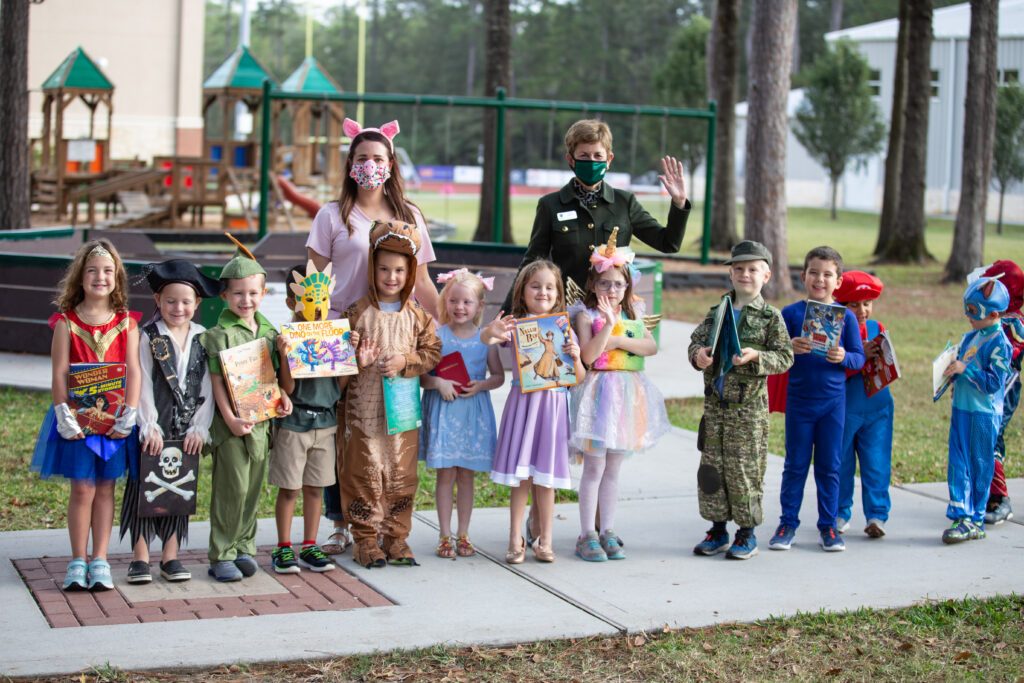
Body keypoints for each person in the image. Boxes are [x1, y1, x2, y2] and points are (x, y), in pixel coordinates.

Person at [305, 117, 440, 554]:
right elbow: (314, 278)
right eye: (362, 158)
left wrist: (450, 336)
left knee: (389, 433)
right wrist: (313, 333)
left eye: (378, 158)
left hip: (397, 335)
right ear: (350, 164)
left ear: (391, 163)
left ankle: (386, 525)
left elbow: (422, 284)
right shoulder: (333, 215)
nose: (370, 165)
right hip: (342, 335)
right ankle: (341, 522)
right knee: (342, 428)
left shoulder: (409, 215)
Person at [31, 239, 141, 591]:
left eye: (108, 271)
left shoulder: (127, 324)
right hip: (77, 421)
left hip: (114, 422)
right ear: (80, 277)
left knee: (106, 488)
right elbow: (60, 371)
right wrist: (64, 414)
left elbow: (134, 370)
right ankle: (78, 559)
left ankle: (101, 559)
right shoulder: (66, 322)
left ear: (117, 278)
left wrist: (130, 413)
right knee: (82, 488)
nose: (100, 277)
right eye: (92, 270)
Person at [502, 118, 691, 312]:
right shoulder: (551, 205)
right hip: (566, 310)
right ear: (570, 159)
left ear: (608, 160)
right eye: (584, 155)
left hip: (613, 313)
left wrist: (679, 203)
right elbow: (532, 262)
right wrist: (506, 314)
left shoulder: (624, 203)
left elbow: (669, 244)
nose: (591, 162)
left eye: (597, 155)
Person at [339, 220, 442, 568]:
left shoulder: (418, 317)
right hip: (362, 413)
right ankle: (366, 539)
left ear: (411, 271)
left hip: (401, 414)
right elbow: (335, 363)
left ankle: (396, 537)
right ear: (371, 267)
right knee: (363, 472)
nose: (391, 276)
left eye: (399, 269)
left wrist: (405, 360)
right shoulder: (355, 313)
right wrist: (353, 356)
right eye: (383, 268)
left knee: (401, 474)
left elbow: (432, 353)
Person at [688, 240, 793, 560]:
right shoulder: (717, 311)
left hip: (747, 412)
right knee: (711, 472)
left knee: (745, 472)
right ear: (731, 274)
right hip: (716, 409)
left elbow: (785, 357)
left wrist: (757, 357)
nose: (744, 274)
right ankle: (717, 529)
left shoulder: (770, 317)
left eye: (752, 269)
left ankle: (746, 533)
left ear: (766, 275)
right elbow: (695, 343)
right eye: (738, 269)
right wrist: (699, 356)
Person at [569, 232, 670, 561]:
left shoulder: (635, 312)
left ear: (627, 287)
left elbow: (650, 347)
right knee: (594, 467)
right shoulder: (586, 315)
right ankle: (587, 533)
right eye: (604, 284)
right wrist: (608, 328)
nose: (611, 291)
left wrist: (616, 340)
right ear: (593, 284)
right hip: (598, 394)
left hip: (626, 395)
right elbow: (586, 356)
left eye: (617, 285)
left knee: (614, 468)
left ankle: (608, 529)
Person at [121, 260, 222, 584]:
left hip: (187, 429)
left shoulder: (203, 337)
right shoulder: (147, 335)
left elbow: (207, 385)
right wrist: (147, 423)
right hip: (155, 427)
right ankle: (140, 556)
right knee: (142, 489)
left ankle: (171, 555)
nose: (178, 308)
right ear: (157, 301)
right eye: (170, 301)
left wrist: (199, 427)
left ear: (197, 304)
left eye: (185, 302)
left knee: (180, 489)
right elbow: (142, 383)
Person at [200, 237, 293, 582]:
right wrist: (228, 418)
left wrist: (285, 396)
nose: (246, 300)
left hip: (261, 424)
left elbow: (275, 379)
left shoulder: (269, 332)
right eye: (238, 293)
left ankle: (243, 547)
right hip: (232, 427)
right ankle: (221, 552)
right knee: (231, 488)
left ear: (264, 294)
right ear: (224, 296)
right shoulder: (220, 333)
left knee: (254, 486)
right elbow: (217, 383)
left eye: (253, 293)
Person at [770, 246, 864, 553]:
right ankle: (787, 525)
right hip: (799, 402)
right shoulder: (791, 314)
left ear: (838, 281)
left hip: (833, 405)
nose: (820, 279)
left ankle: (828, 527)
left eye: (827, 274)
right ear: (803, 276)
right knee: (795, 464)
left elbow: (859, 358)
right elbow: (776, 356)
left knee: (829, 466)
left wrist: (843, 356)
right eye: (814, 272)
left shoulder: (847, 317)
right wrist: (790, 347)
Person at [489, 260, 584, 564]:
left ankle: (546, 540)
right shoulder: (515, 325)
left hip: (553, 409)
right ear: (523, 290)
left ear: (558, 294)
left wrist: (576, 356)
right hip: (524, 406)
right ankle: (515, 538)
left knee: (546, 478)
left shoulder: (564, 329)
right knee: (522, 478)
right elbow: (488, 340)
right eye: (535, 286)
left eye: (549, 287)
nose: (543, 291)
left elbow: (578, 377)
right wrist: (492, 331)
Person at [419, 269, 505, 558]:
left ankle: (464, 533)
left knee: (466, 476)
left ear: (480, 306)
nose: (459, 307)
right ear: (446, 302)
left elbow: (498, 377)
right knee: (445, 476)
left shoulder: (485, 339)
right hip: (444, 412)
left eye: (467, 302)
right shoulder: (436, 336)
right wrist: (438, 382)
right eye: (454, 301)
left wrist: (481, 385)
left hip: (472, 414)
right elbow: (421, 377)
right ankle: (444, 534)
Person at [268, 264, 346, 574]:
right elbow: (286, 388)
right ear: (292, 303)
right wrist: (286, 357)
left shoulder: (333, 334)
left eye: (324, 300)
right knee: (289, 488)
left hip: (325, 424)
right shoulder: (285, 338)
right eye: (311, 301)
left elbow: (339, 388)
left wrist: (348, 356)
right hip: (294, 423)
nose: (318, 308)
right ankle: (283, 547)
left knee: (316, 486)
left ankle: (310, 544)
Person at [940, 276, 1013, 544]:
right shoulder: (972, 336)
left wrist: (965, 370)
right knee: (958, 463)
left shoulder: (1000, 344)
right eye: (966, 308)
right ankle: (960, 513)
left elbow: (994, 383)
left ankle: (976, 519)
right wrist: (952, 376)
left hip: (982, 415)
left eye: (973, 311)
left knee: (979, 465)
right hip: (961, 409)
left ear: (993, 314)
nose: (967, 316)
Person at [833, 271, 893, 540]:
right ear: (840, 304)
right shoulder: (834, 329)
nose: (862, 310)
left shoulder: (876, 327)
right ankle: (840, 512)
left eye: (867, 302)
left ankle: (876, 515)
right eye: (854, 304)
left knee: (876, 461)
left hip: (878, 407)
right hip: (844, 407)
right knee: (841, 461)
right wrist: (858, 357)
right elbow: (830, 370)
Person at [979, 261, 1024, 525]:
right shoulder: (999, 318)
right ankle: (986, 493)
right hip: (989, 386)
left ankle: (1000, 498)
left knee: (991, 435)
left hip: (1003, 389)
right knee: (991, 436)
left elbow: (1005, 356)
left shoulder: (1012, 323)